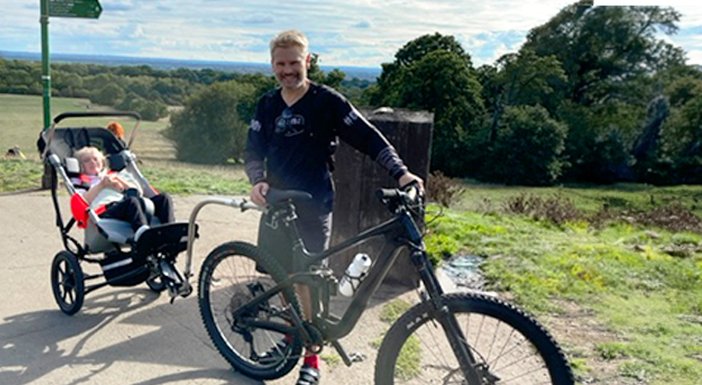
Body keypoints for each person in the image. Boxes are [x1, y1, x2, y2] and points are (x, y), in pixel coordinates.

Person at [244, 29, 423, 385]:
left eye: (294, 62)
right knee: (280, 278)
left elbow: (368, 136)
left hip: (314, 202)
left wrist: (401, 173)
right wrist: (256, 180)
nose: (287, 70)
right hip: (277, 205)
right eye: (280, 64)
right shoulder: (267, 104)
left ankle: (311, 356)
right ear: (272, 65)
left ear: (307, 61)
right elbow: (253, 150)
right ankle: (288, 338)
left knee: (309, 278)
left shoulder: (327, 101)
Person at [72, 146, 174, 241]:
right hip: (104, 211)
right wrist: (102, 185)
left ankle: (170, 230)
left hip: (128, 205)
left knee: (164, 198)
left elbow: (137, 191)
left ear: (102, 162)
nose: (92, 162)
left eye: (95, 159)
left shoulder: (116, 175)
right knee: (131, 202)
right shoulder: (81, 182)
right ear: (81, 166)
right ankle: (142, 233)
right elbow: (82, 202)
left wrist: (120, 181)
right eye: (87, 160)